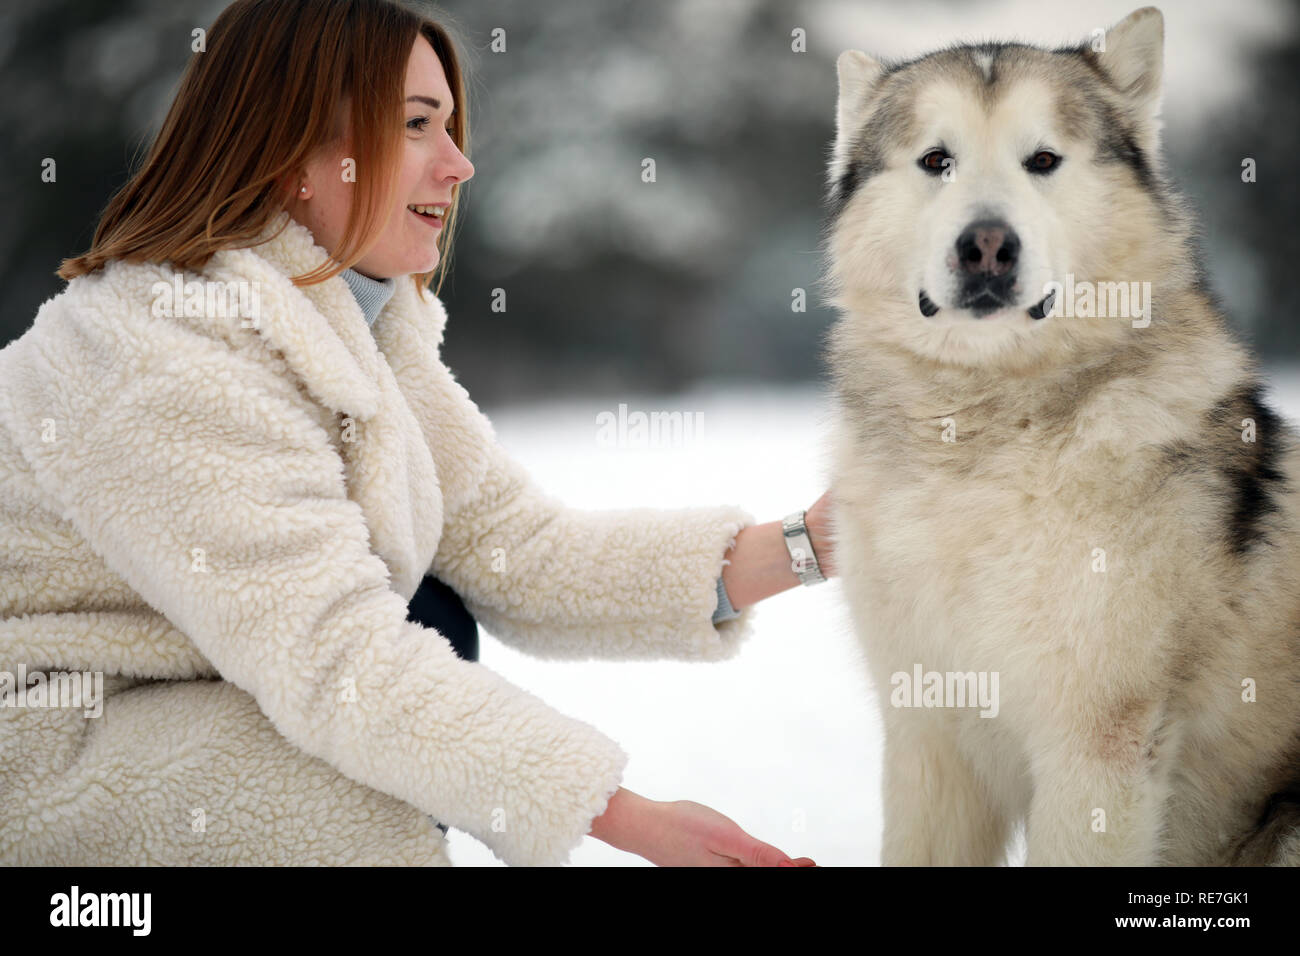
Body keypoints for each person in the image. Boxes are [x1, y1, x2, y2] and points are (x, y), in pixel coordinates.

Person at [0, 0, 834, 867]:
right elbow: (340, 660)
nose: (460, 163)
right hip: (48, 748)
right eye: (416, 127)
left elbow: (524, 549)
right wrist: (627, 817)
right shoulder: (163, 355)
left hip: (175, 695)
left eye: (451, 127)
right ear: (293, 155)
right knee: (360, 793)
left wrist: (811, 545)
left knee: (432, 620)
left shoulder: (355, 329)